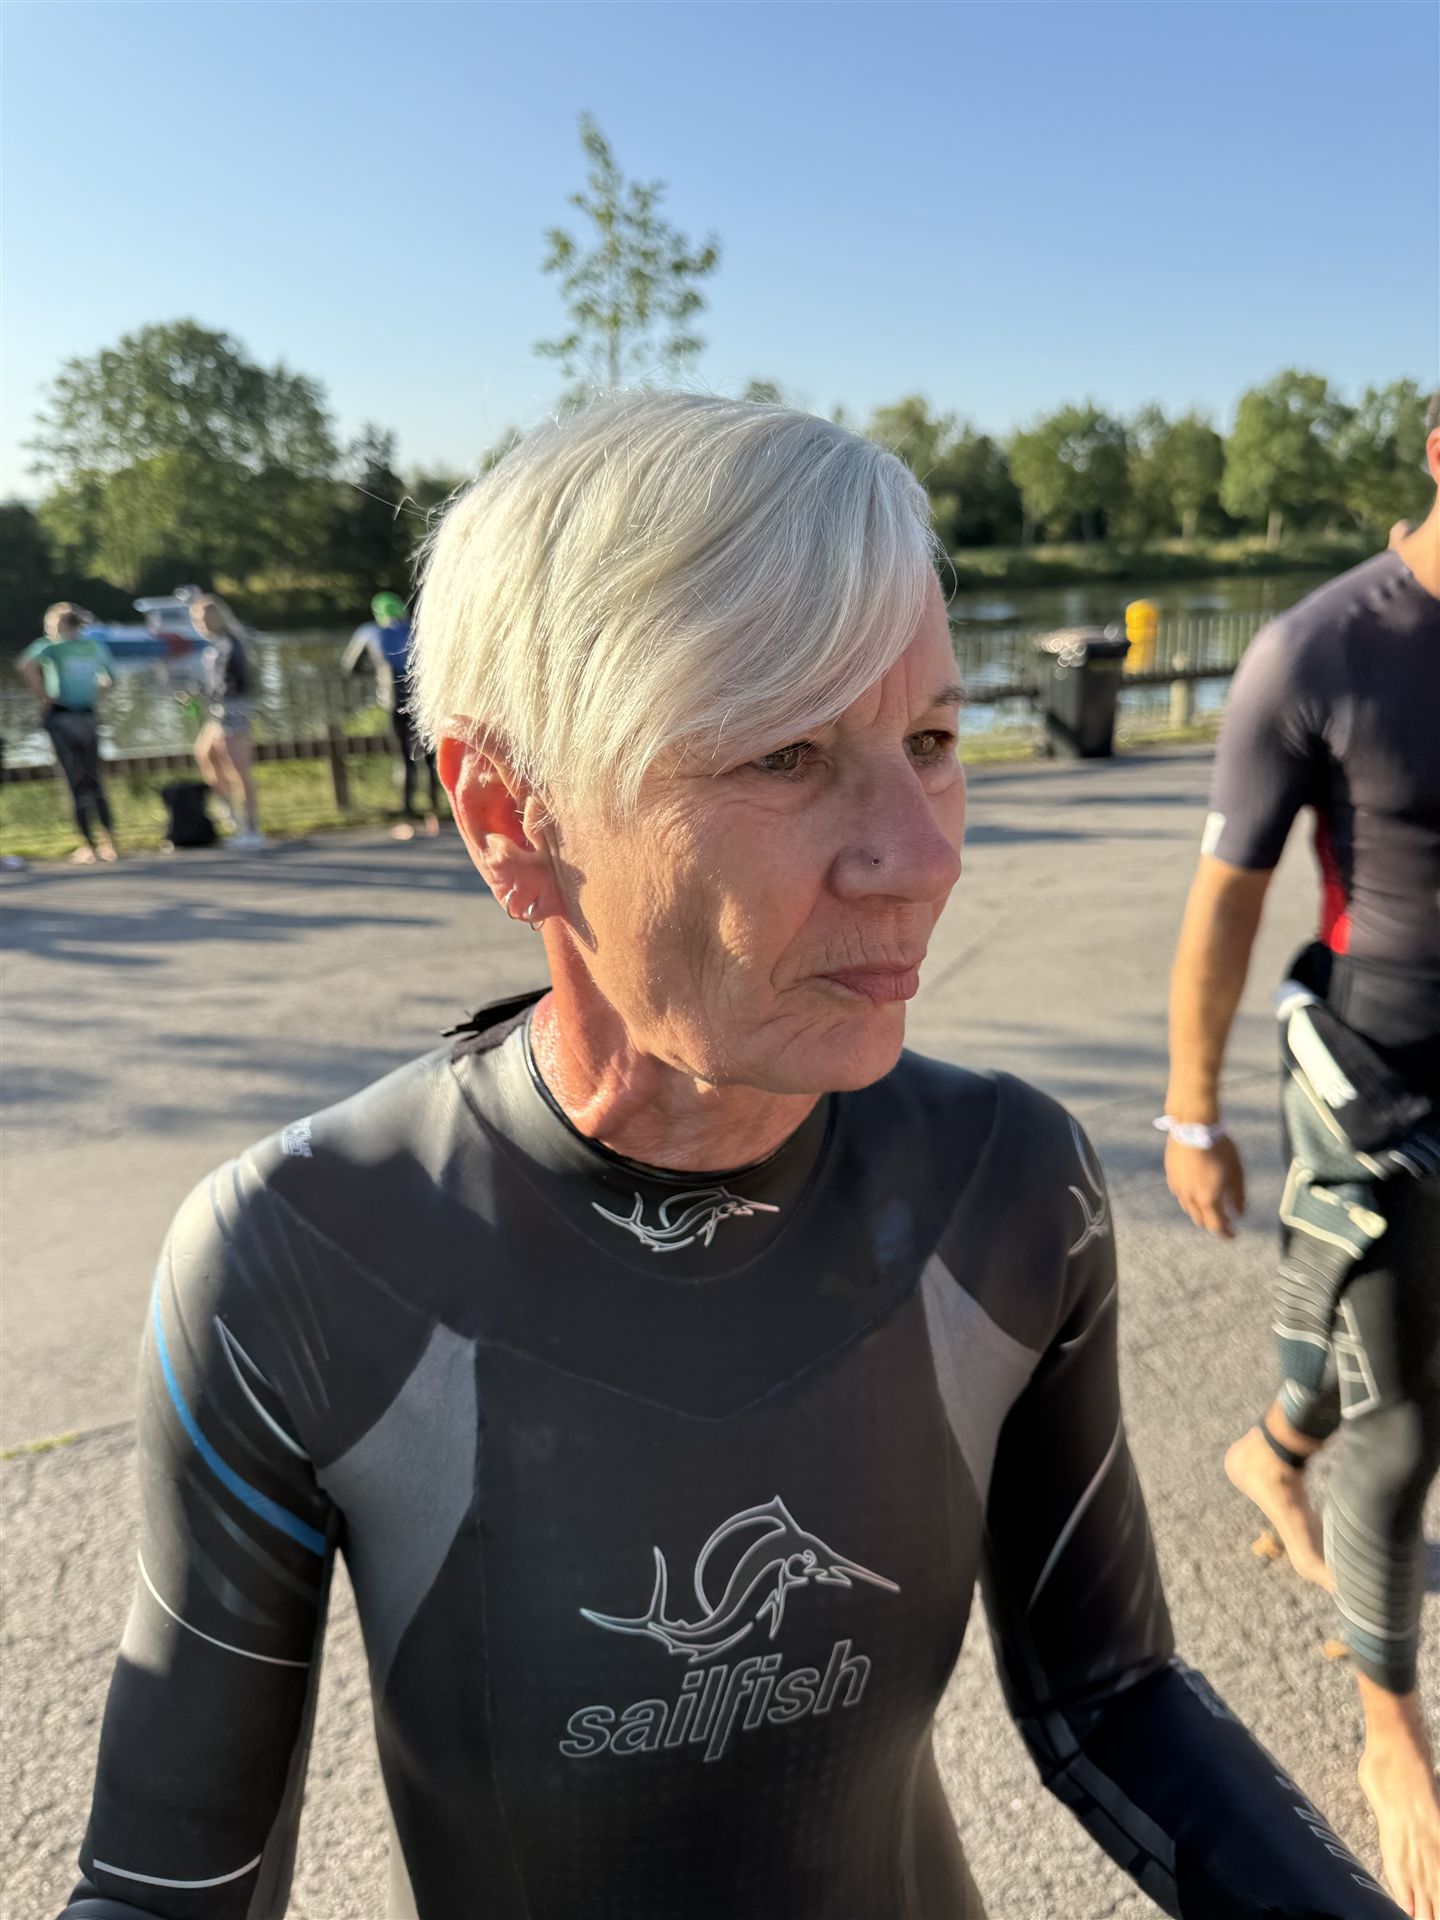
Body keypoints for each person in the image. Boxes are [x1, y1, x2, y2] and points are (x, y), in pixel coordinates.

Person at [62, 394, 1403, 1920]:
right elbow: (165, 1889)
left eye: (933, 739)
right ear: (507, 815)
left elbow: (1115, 1697)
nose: (922, 857)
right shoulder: (303, 1257)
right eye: (785, 754)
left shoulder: (1005, 1184)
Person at [1162, 389, 1440, 1915]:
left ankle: (1268, 1452)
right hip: (1381, 1089)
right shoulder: (1322, 649)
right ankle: (1393, 1732)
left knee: (1370, 1350)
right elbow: (1226, 902)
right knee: (1405, 1411)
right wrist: (1190, 1112)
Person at [17, 602, 118, 864]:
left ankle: (89, 847)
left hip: (62, 717)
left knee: (75, 780)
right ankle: (110, 844)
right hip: (88, 716)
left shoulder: (53, 646)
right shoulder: (94, 647)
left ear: (57, 625)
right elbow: (111, 680)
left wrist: (43, 694)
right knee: (95, 778)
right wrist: (94, 685)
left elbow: (25, 664)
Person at [341, 589, 441, 839]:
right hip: (424, 699)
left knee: (405, 758)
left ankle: (408, 818)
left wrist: (377, 669)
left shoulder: (369, 631)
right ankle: (435, 816)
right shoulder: (417, 628)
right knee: (430, 757)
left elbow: (349, 667)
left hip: (395, 700)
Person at [191, 594, 265, 850]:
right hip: (219, 707)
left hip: (233, 708)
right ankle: (228, 811)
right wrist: (201, 692)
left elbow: (236, 680)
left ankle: (251, 828)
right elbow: (216, 681)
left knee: (238, 769)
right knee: (205, 752)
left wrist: (216, 694)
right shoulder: (216, 644)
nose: (200, 625)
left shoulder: (231, 643)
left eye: (202, 619)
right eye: (196, 620)